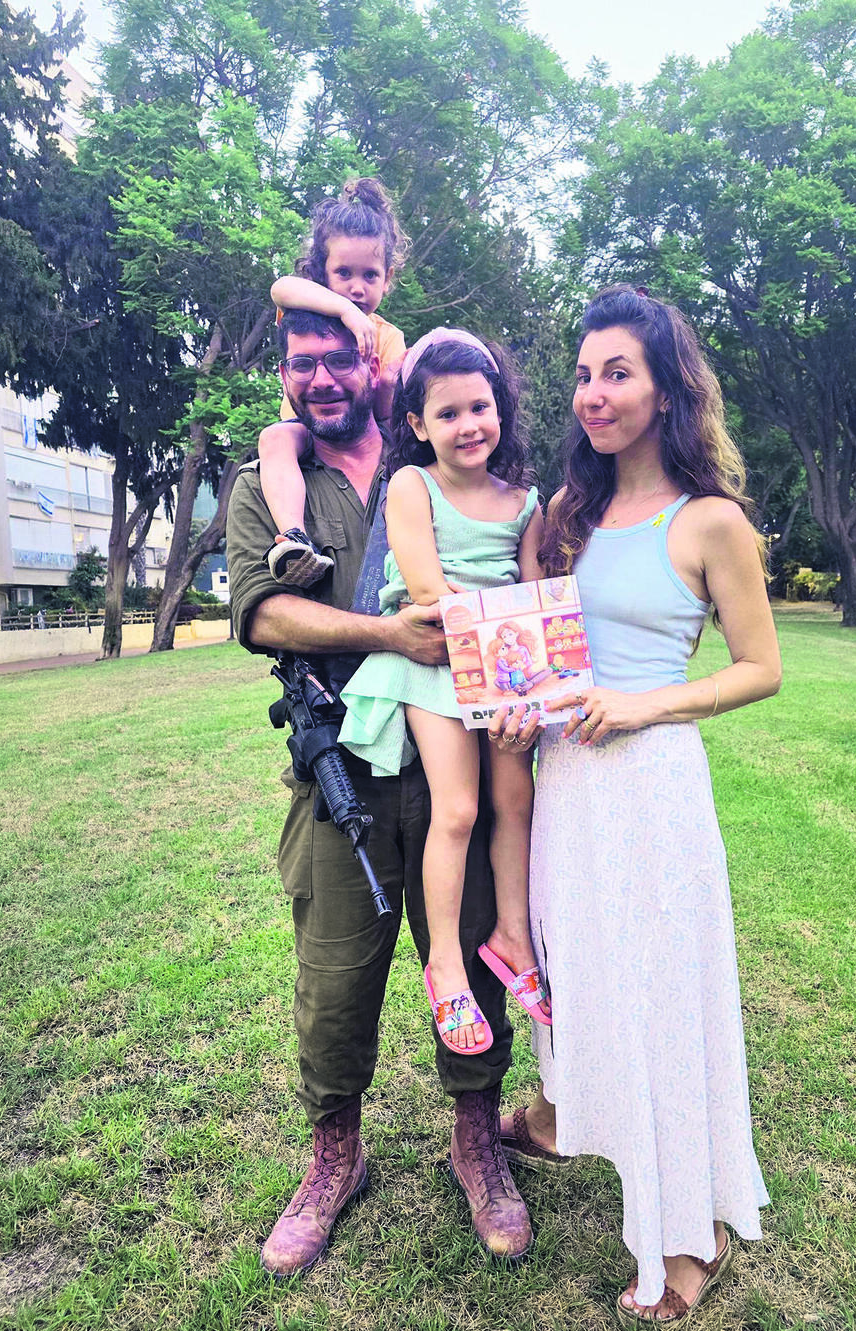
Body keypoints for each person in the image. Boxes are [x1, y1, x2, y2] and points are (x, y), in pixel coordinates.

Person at [488, 286, 782, 1326]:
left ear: (665, 390)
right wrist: (517, 714)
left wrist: (641, 703)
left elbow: (759, 669)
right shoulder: (560, 518)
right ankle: (566, 1113)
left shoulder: (711, 521)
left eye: (617, 371)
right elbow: (526, 654)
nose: (593, 393)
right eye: (581, 373)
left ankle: (686, 1236)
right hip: (565, 788)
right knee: (582, 975)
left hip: (653, 788)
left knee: (662, 995)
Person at [226, 308, 534, 1277]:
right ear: (285, 375)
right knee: (333, 981)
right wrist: (388, 635)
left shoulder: (435, 456)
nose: (319, 378)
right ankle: (334, 1158)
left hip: (458, 753)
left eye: (336, 358)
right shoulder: (266, 487)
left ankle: (476, 1138)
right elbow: (264, 611)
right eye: (299, 363)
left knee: (476, 948)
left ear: (373, 366)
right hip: (344, 770)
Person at [339, 329, 551, 1057]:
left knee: (515, 803)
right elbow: (427, 588)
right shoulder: (411, 485)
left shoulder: (527, 502)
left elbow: (533, 590)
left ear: (502, 412)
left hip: (509, 667)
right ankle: (446, 965)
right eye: (450, 413)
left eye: (480, 408)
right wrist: (503, 632)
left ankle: (512, 936)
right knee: (458, 810)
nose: (469, 426)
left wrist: (532, 671)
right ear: (418, 425)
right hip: (436, 656)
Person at [260, 179, 409, 588]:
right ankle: (293, 536)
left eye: (370, 275)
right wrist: (344, 310)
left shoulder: (387, 334)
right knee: (274, 441)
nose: (357, 287)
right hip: (306, 430)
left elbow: (383, 412)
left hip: (359, 436)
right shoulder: (306, 314)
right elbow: (279, 287)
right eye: (343, 273)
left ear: (387, 277)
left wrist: (393, 383)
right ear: (321, 272)